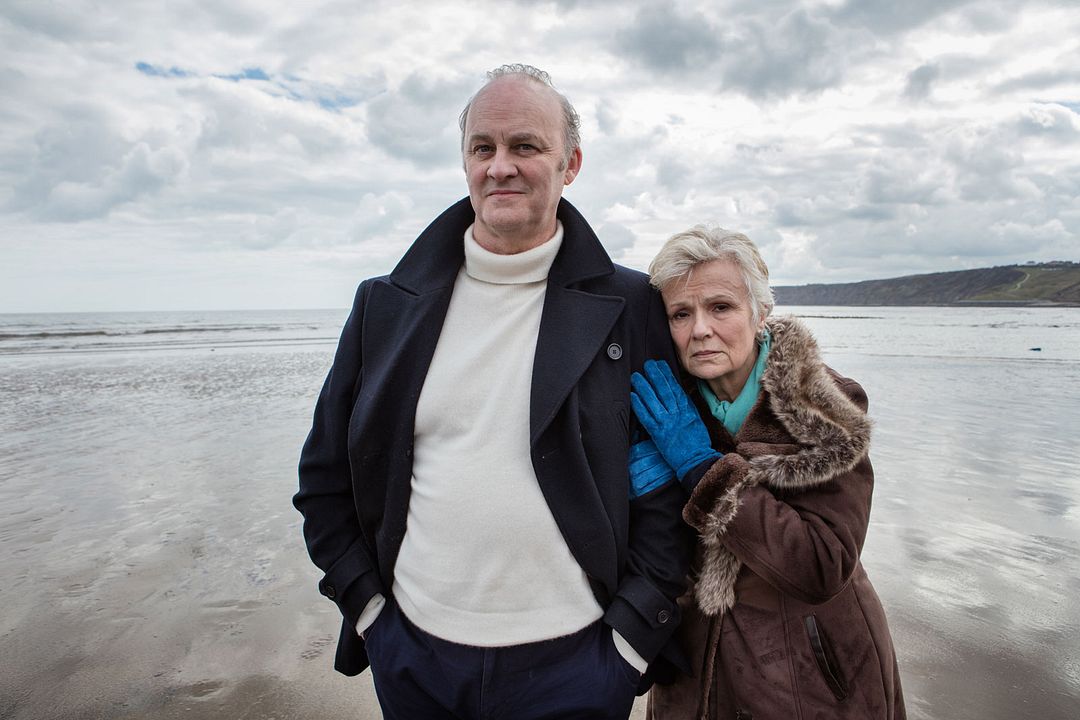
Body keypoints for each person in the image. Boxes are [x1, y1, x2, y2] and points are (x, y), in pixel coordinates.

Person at [293, 64, 691, 720]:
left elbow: (666, 488)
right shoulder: (384, 306)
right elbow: (324, 480)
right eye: (483, 148)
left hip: (580, 663)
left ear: (571, 163)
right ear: (465, 162)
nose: (500, 166)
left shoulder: (629, 304)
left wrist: (628, 645)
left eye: (525, 146)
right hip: (415, 657)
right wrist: (368, 613)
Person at [627, 226, 906, 719]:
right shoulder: (665, 410)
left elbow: (822, 565)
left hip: (808, 680)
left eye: (721, 307)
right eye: (680, 313)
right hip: (694, 679)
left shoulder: (821, 406)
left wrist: (701, 468)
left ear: (760, 313)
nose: (700, 330)